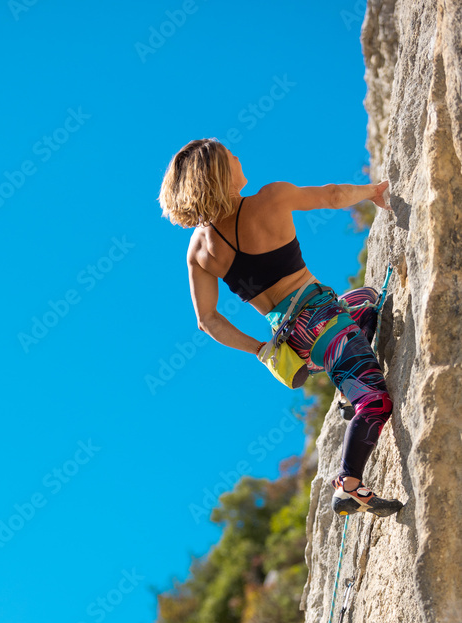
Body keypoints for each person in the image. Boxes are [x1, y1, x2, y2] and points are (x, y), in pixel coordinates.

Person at [158, 138, 403, 518]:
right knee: (376, 403)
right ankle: (349, 484)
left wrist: (261, 349)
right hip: (324, 324)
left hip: (293, 341)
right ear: (221, 174)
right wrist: (373, 192)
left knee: (369, 300)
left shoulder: (198, 249)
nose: (238, 157)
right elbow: (335, 194)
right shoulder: (270, 198)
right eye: (229, 156)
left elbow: (207, 320)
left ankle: (345, 389)